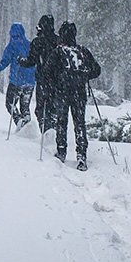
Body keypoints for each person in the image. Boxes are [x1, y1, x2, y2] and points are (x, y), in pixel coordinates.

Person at [43, 21, 101, 171]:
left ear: (62, 34)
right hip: (79, 94)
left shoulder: (58, 51)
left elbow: (47, 72)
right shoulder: (82, 51)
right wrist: (85, 76)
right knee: (79, 124)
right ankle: (81, 156)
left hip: (62, 92)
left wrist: (53, 85)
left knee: (61, 122)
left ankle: (61, 152)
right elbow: (97, 70)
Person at [0, 22, 36, 128]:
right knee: (25, 106)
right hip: (30, 82)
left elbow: (5, 62)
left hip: (17, 81)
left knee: (10, 104)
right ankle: (28, 126)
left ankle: (20, 122)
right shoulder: (29, 45)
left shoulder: (12, 46)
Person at [17, 15, 58, 132]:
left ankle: (46, 133)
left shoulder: (38, 42)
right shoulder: (59, 41)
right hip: (57, 82)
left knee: (41, 109)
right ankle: (55, 132)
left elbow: (31, 61)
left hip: (43, 80)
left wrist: (21, 61)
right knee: (54, 108)